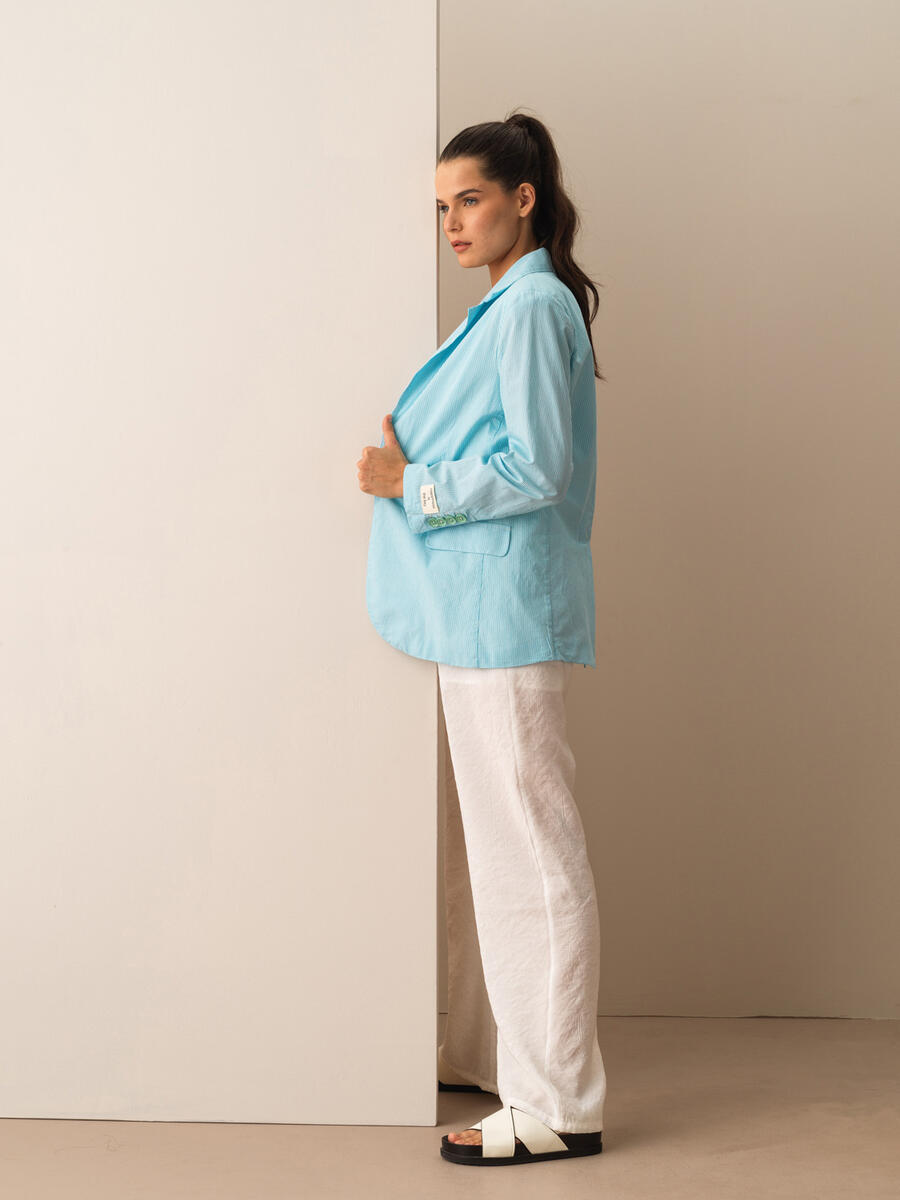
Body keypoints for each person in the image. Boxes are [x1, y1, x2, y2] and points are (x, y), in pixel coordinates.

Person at [357, 110, 608, 1167]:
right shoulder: (511, 304)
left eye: (469, 199)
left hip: (505, 614)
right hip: (481, 611)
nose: (452, 223)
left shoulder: (534, 306)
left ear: (522, 199)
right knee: (500, 855)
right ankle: (505, 1066)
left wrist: (410, 483)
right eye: (441, 207)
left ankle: (558, 1105)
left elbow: (539, 467)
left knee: (532, 858)